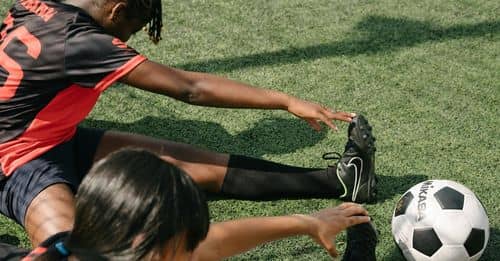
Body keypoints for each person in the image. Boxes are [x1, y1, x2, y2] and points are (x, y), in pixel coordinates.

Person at [0, 0, 377, 247]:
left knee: (193, 164)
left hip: (50, 136)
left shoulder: (35, 5)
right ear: (116, 11)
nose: (129, 38)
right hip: (15, 161)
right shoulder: (87, 44)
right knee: (71, 252)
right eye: (134, 25)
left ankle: (340, 181)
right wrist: (285, 100)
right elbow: (190, 88)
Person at [21, 148, 375, 260]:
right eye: (182, 247)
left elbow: (212, 243)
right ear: (142, 246)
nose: (191, 255)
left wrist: (305, 222)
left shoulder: (78, 245)